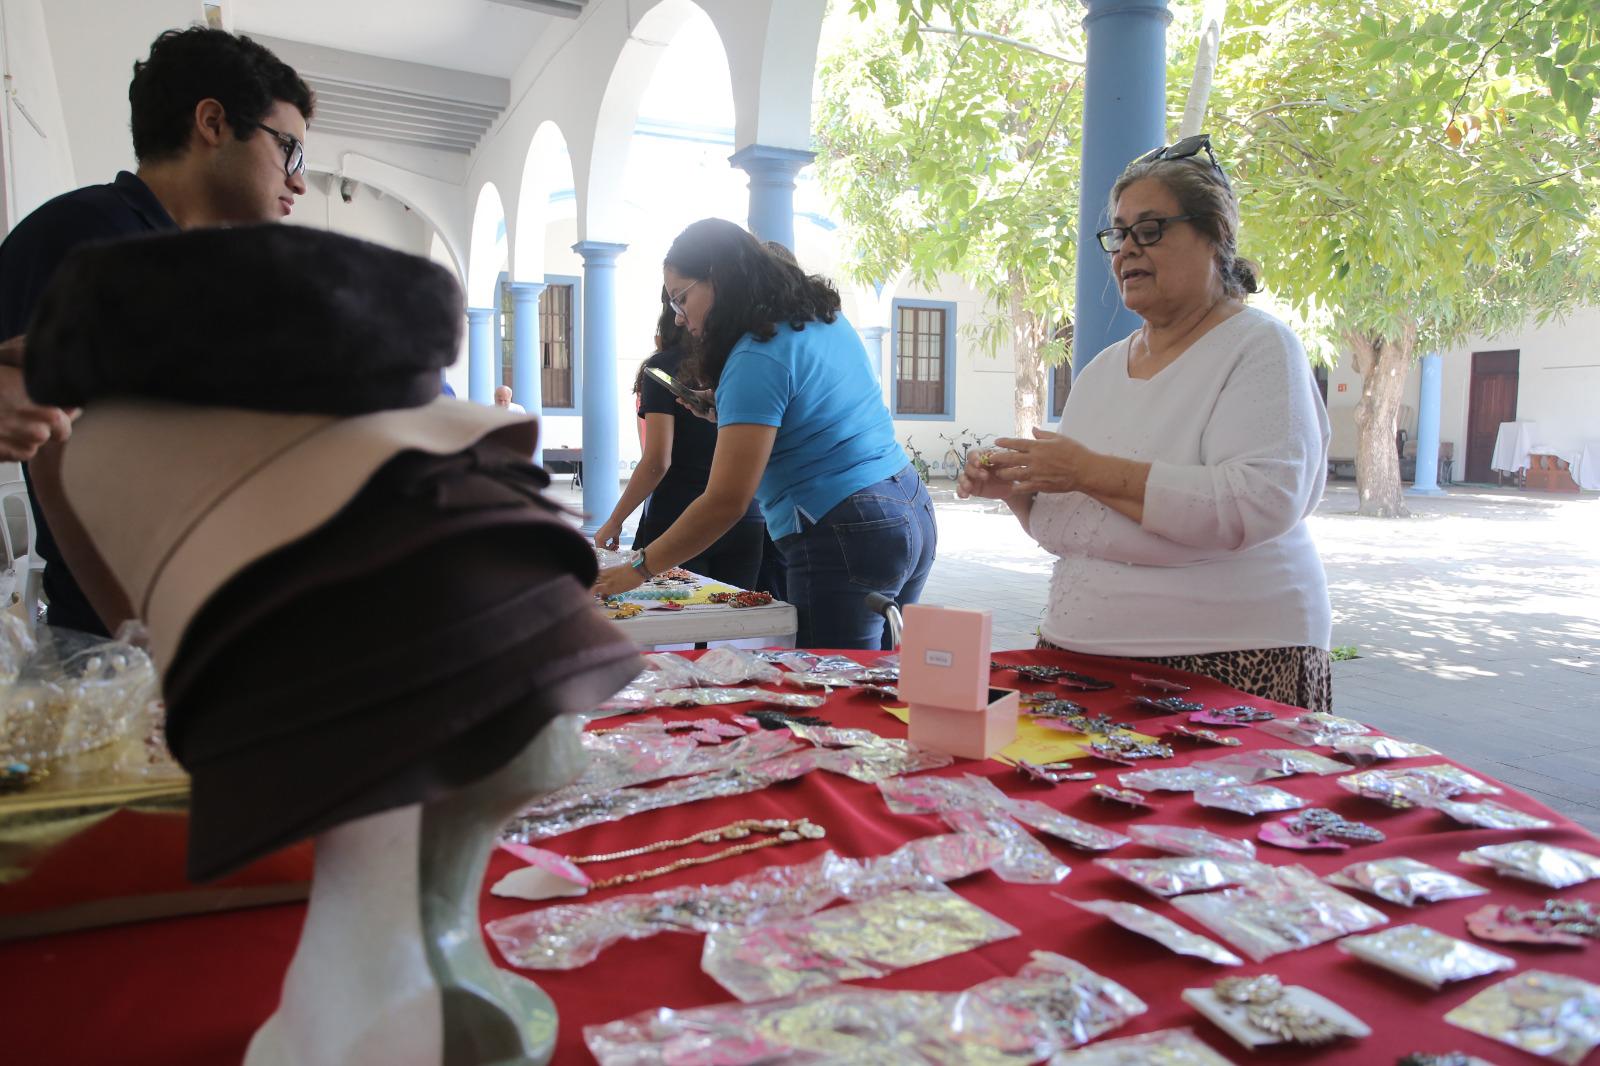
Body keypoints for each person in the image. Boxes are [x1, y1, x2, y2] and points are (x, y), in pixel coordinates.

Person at [959, 134, 1333, 710]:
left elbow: (1259, 501)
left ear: (1215, 236)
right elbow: (1078, 523)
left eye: (1150, 229)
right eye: (1119, 234)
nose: (1127, 249)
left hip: (1227, 663)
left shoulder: (1259, 347)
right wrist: (1018, 492)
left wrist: (1085, 470)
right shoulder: (1104, 369)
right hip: (1078, 658)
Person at [0, 26, 312, 635]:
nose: (298, 180)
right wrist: (145, 639)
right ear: (213, 122)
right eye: (289, 150)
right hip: (129, 634)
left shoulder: (174, 260)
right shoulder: (95, 238)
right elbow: (64, 459)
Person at [594, 219, 935, 649]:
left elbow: (725, 502)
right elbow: (808, 407)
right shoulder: (820, 317)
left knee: (835, 679)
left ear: (717, 278)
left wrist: (639, 568)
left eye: (681, 298)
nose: (679, 316)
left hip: (845, 525)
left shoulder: (756, 354)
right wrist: (727, 410)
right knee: (885, 677)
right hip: (909, 504)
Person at [593, 301, 765, 587]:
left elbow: (657, 462)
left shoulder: (662, 367)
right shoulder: (740, 360)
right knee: (731, 613)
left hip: (679, 518)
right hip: (744, 516)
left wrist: (615, 520)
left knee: (672, 613)